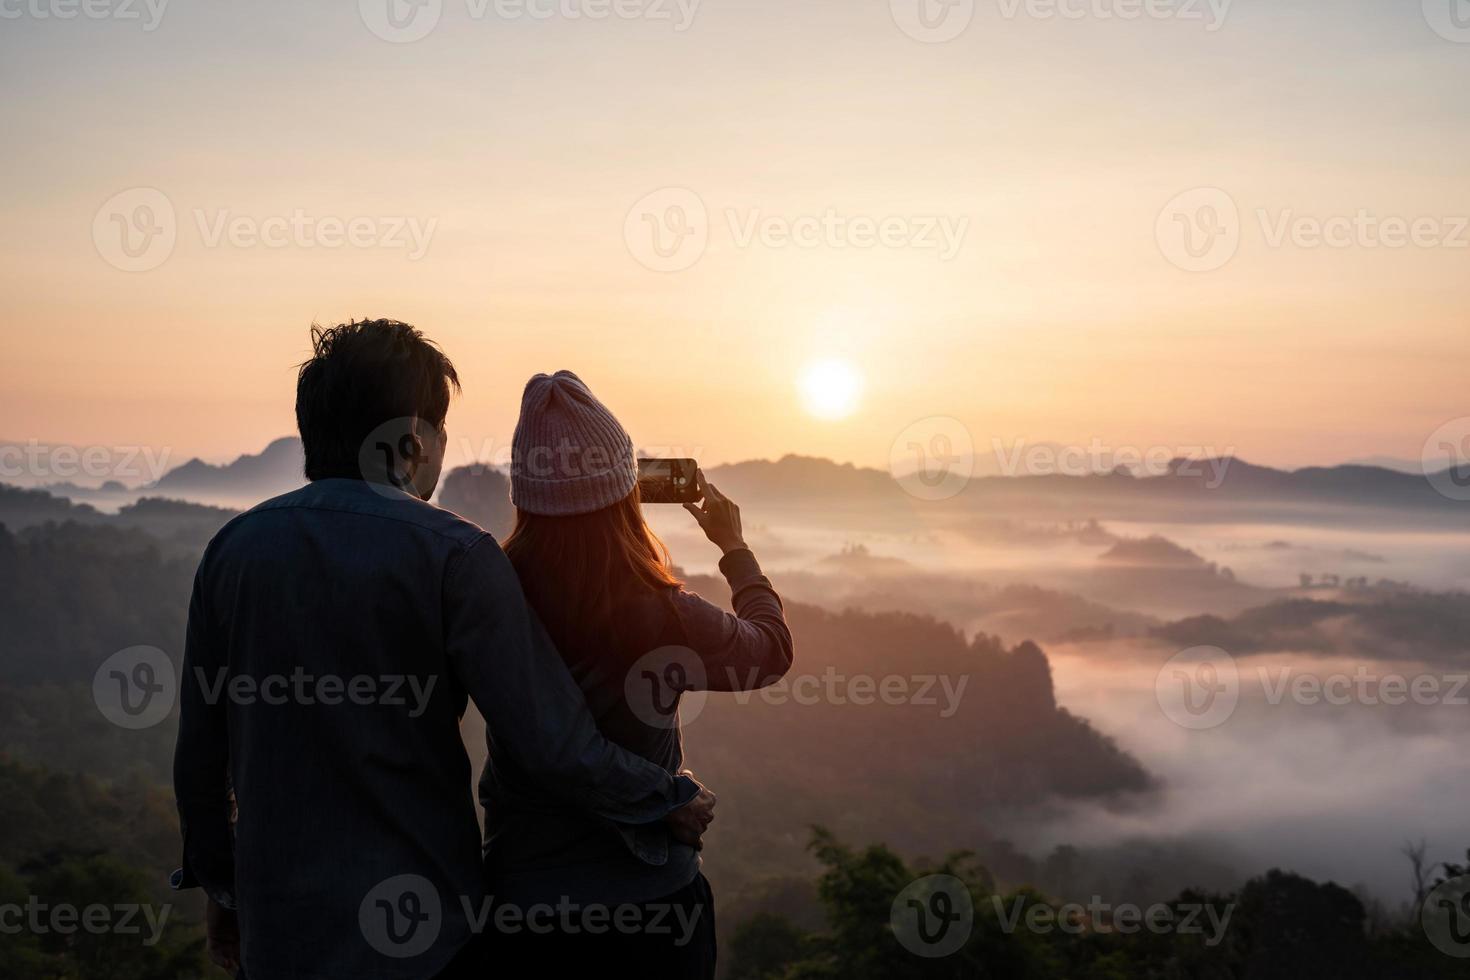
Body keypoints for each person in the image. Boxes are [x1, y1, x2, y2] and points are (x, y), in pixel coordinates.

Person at [172, 320, 716, 980]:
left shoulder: (233, 553)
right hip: (427, 942)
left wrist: (224, 888)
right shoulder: (455, 557)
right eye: (439, 434)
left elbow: (202, 756)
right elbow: (554, 744)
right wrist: (666, 795)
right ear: (409, 443)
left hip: (281, 939)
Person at [479, 370, 795, 978]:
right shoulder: (661, 612)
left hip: (528, 909)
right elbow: (772, 651)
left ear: (524, 495)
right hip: (651, 910)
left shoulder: (487, 595)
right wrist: (736, 552)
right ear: (627, 494)